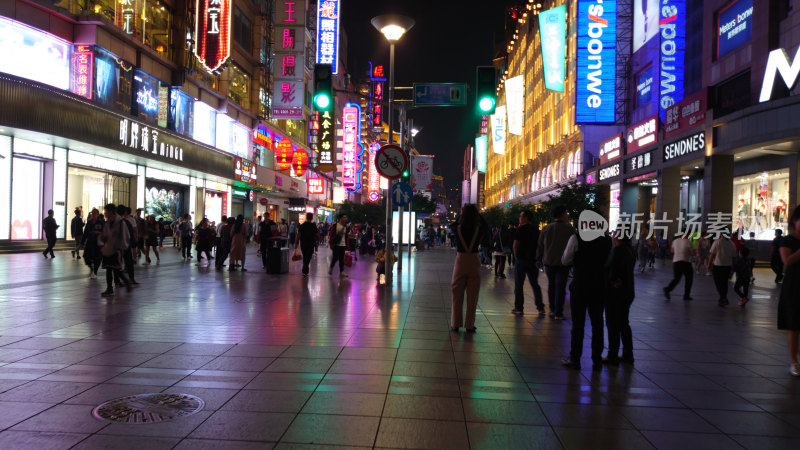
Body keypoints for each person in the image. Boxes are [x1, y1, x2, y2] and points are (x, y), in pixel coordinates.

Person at [561, 211, 613, 372]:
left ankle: (575, 359)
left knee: (578, 325)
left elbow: (565, 260)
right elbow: (608, 262)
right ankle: (597, 360)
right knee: (597, 323)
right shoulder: (607, 240)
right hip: (598, 287)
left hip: (580, 285)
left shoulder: (576, 238)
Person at [450, 204, 489, 333]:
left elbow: (453, 224)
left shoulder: (457, 228)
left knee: (457, 294)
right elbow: (486, 226)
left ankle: (455, 323)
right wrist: (477, 214)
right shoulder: (478, 229)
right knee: (473, 297)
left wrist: (462, 215)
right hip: (474, 260)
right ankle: (469, 325)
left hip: (460, 260)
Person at [536, 205, 576, 320]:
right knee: (561, 287)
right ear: (562, 214)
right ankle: (558, 312)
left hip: (549, 262)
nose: (567, 215)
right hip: (564, 264)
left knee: (551, 286)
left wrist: (539, 259)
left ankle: (552, 310)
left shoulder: (547, 228)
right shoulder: (570, 229)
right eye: (566, 213)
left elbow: (540, 245)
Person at [604, 233, 637, 365]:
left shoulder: (617, 251)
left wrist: (612, 281)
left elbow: (613, 270)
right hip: (628, 292)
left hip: (616, 293)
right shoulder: (630, 250)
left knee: (613, 325)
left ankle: (613, 355)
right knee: (623, 323)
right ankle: (627, 354)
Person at [778, 206, 800, 376]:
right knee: (794, 325)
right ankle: (794, 361)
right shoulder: (787, 240)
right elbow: (787, 261)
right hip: (794, 286)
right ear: (795, 221)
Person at [512, 211, 544, 316]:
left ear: (525, 218)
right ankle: (540, 307)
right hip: (533, 260)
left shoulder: (520, 229)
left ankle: (519, 308)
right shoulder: (536, 229)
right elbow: (540, 245)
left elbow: (515, 245)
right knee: (535, 284)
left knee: (519, 284)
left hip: (521, 260)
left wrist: (516, 256)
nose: (519, 218)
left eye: (521, 216)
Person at [100, 203, 131, 297]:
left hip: (117, 249)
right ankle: (109, 288)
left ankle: (126, 282)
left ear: (111, 212)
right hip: (108, 249)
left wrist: (121, 247)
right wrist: (103, 239)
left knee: (116, 269)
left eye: (106, 211)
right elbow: (106, 235)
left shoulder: (121, 223)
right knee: (109, 269)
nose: (105, 213)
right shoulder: (108, 222)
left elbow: (126, 236)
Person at [707, 231, 737, 307]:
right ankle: (723, 298)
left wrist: (709, 265)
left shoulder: (717, 242)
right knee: (724, 283)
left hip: (718, 265)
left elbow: (712, 254)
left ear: (721, 234)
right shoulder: (731, 244)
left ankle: (723, 297)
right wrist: (733, 267)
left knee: (718, 283)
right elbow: (734, 257)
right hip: (727, 266)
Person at [663, 232, 695, 301]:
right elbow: (692, 253)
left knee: (676, 279)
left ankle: (667, 289)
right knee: (689, 279)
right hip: (686, 262)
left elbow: (672, 251)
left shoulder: (675, 241)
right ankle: (686, 295)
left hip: (676, 262)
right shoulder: (689, 242)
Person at [82, 208, 104, 279]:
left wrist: (98, 233)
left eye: (95, 213)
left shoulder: (101, 222)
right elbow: (85, 233)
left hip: (98, 243)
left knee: (97, 258)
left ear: (97, 214)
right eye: (92, 213)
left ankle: (95, 272)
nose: (93, 214)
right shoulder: (89, 222)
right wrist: (82, 242)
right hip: (90, 242)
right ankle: (91, 268)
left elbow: (105, 232)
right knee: (86, 256)